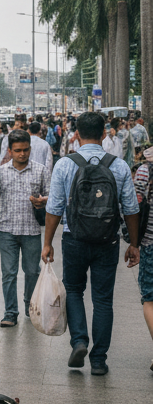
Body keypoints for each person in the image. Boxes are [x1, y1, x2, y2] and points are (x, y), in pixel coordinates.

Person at [43, 111, 140, 374]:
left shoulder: (65, 164)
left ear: (76, 134)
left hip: (74, 238)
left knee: (74, 291)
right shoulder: (118, 165)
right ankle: (99, 360)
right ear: (103, 134)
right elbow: (131, 209)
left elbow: (54, 207)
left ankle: (79, 341)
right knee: (103, 300)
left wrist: (47, 242)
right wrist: (133, 244)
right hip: (107, 241)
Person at [0, 130, 50, 327]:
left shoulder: (41, 170)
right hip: (8, 229)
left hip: (31, 230)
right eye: (17, 150)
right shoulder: (1, 172)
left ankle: (30, 306)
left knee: (32, 271)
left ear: (30, 149)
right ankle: (10, 312)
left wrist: (43, 201)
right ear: (10, 151)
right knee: (8, 273)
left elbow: (50, 196)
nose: (22, 154)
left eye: (25, 150)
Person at [131, 148, 153, 370]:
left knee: (150, 299)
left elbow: (135, 207)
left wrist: (134, 243)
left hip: (150, 244)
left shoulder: (144, 172)